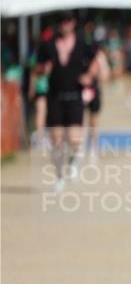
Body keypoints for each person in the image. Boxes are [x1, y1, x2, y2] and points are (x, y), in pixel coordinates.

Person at [35, 11, 99, 192]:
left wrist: (89, 75)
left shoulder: (82, 42)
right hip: (55, 96)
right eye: (61, 21)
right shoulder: (47, 44)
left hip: (75, 95)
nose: (65, 25)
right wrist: (43, 69)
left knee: (74, 138)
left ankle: (74, 160)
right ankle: (59, 177)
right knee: (55, 139)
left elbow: (95, 60)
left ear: (73, 23)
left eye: (68, 21)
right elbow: (37, 67)